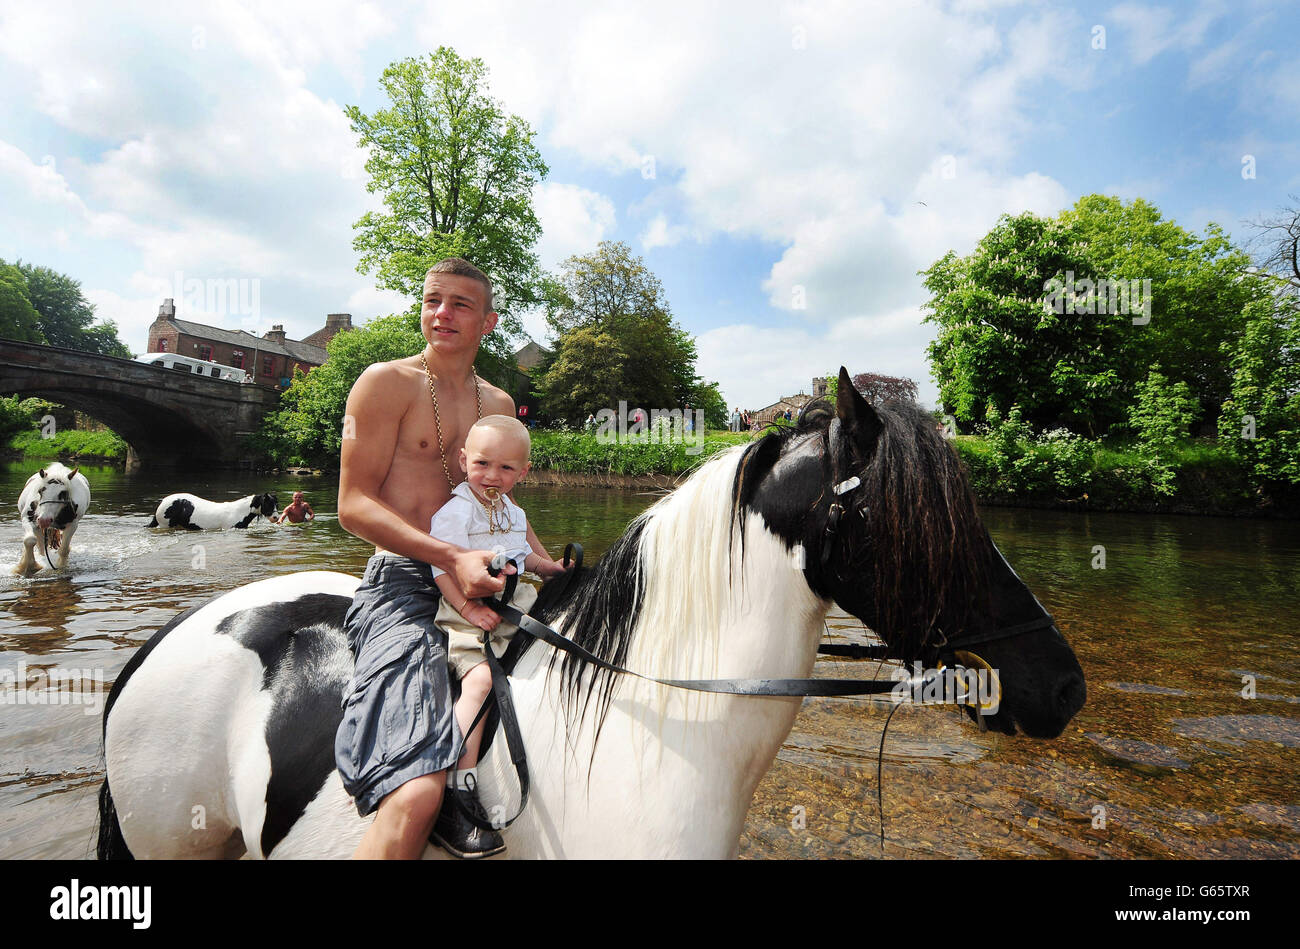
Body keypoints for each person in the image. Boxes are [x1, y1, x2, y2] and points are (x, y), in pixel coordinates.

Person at [333, 257, 568, 860]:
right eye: (433, 299)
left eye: (461, 304)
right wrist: (449, 557)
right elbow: (353, 505)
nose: (443, 313)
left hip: (494, 578)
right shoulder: (384, 383)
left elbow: (504, 505)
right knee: (415, 797)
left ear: (488, 322)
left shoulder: (500, 402)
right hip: (406, 580)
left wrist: (548, 565)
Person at [427, 415, 559, 857]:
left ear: (522, 473)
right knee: (481, 680)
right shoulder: (456, 511)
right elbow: (442, 568)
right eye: (483, 464)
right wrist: (467, 607)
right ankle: (457, 786)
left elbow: (527, 557)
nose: (492, 477)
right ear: (464, 461)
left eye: (506, 469)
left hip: (514, 603)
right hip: (467, 611)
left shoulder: (514, 512)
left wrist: (551, 567)